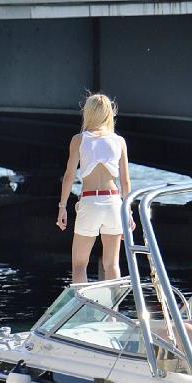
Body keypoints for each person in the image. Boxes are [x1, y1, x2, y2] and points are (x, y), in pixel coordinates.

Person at [56, 93, 132, 284]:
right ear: (109, 114)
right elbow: (125, 182)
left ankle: (85, 311)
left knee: (80, 264)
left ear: (87, 113)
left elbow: (69, 176)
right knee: (112, 264)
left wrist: (62, 207)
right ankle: (114, 313)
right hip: (114, 202)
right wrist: (128, 212)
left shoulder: (79, 140)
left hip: (90, 201)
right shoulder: (119, 141)